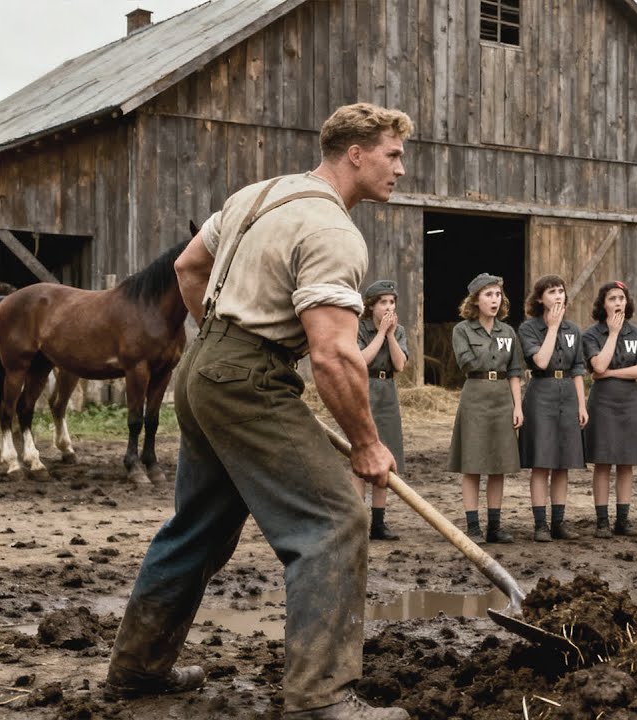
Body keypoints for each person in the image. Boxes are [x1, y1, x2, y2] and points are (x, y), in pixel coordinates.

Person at [106, 103, 413, 720]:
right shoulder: (333, 232)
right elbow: (333, 357)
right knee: (333, 524)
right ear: (356, 153)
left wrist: (220, 345)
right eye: (394, 154)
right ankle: (322, 699)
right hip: (247, 377)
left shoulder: (258, 194)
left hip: (203, 369)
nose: (401, 169)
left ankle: (137, 670)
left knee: (197, 527)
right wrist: (367, 443)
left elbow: (187, 267)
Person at [448, 273, 524, 544]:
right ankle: (473, 527)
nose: (495, 299)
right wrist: (490, 344)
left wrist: (518, 406)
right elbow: (467, 363)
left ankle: (494, 526)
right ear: (476, 300)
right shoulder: (462, 330)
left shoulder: (509, 331)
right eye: (488, 294)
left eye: (498, 294)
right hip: (475, 397)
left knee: (498, 464)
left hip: (503, 398)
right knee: (472, 464)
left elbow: (514, 370)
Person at [517, 274, 588, 542]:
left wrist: (582, 405)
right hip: (541, 393)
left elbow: (578, 368)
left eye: (561, 291)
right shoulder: (528, 328)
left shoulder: (574, 330)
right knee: (542, 462)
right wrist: (553, 328)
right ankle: (540, 525)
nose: (558, 296)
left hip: (568, 394)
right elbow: (542, 361)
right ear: (539, 299)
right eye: (551, 292)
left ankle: (559, 522)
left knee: (563, 463)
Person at [582, 280, 637, 538]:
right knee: (602, 462)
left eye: (621, 298)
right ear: (603, 304)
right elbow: (597, 365)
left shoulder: (636, 334)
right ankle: (602, 522)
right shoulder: (591, 334)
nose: (618, 303)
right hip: (602, 403)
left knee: (626, 463)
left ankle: (623, 520)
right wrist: (611, 334)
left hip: (630, 402)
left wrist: (611, 372)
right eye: (612, 299)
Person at [356, 279, 409, 541]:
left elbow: (400, 365)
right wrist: (379, 334)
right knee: (358, 457)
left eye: (392, 302)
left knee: (384, 456)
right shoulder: (360, 328)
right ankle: (357, 522)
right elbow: (361, 360)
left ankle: (378, 523)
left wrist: (390, 334)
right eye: (383, 302)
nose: (388, 307)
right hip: (363, 389)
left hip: (387, 393)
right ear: (372, 306)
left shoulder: (398, 332)